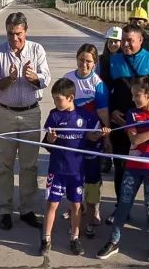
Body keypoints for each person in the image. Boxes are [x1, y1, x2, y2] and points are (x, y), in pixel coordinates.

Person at [96, 76, 149, 263]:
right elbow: (135, 140)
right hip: (133, 168)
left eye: (137, 95)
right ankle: (113, 241)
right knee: (123, 205)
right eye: (133, 95)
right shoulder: (133, 114)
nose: (133, 99)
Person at [0, 11, 51, 231]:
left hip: (31, 113)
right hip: (5, 113)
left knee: (29, 165)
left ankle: (27, 209)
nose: (15, 38)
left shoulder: (37, 50)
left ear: (26, 31)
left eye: (19, 34)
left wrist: (34, 78)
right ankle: (5, 209)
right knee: (4, 164)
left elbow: (46, 79)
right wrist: (10, 79)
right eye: (11, 34)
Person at [106, 23, 149, 224]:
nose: (125, 45)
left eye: (130, 41)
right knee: (121, 168)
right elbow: (105, 90)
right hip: (122, 123)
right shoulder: (112, 61)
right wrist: (112, 111)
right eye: (123, 40)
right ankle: (121, 209)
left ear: (141, 40)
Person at [40, 78, 108, 256]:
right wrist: (51, 139)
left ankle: (75, 238)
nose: (55, 103)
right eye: (54, 99)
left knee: (76, 206)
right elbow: (47, 144)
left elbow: (92, 138)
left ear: (71, 97)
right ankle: (46, 239)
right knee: (52, 204)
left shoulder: (85, 117)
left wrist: (101, 134)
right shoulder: (54, 116)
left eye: (58, 99)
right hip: (57, 170)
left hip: (76, 171)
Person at [64, 44, 111, 238]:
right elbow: (63, 107)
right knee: (74, 176)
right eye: (81, 60)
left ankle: (94, 210)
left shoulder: (98, 83)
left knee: (92, 178)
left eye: (89, 61)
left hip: (93, 139)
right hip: (73, 139)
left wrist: (106, 137)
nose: (84, 64)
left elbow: (102, 112)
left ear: (94, 63)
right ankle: (76, 208)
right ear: (76, 58)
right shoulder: (68, 79)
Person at [98, 26, 122, 175]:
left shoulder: (125, 59)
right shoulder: (101, 60)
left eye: (116, 42)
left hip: (119, 100)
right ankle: (106, 159)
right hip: (105, 99)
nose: (113, 45)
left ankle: (118, 160)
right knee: (105, 131)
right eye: (110, 42)